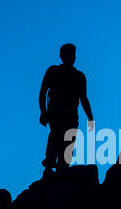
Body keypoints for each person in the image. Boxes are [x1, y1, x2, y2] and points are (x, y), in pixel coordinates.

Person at [39, 44, 94, 174]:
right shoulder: (53, 71)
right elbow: (42, 93)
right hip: (56, 114)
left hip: (70, 117)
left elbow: (84, 99)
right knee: (55, 139)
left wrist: (90, 117)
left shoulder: (79, 76)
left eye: (72, 54)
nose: (71, 57)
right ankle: (49, 169)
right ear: (61, 56)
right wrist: (43, 112)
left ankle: (59, 172)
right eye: (68, 54)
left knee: (65, 146)